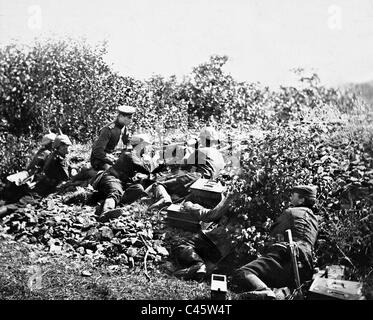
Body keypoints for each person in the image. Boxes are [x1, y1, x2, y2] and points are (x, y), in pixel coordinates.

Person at [231, 185, 319, 300]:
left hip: (287, 255)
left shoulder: (291, 212)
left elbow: (274, 236)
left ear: (302, 199)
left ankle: (264, 291)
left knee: (243, 272)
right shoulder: (315, 220)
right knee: (283, 287)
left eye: (294, 194)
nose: (291, 196)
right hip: (306, 264)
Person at [149, 126, 225, 209]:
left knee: (159, 184)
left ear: (203, 139)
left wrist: (187, 154)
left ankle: (164, 200)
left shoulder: (200, 151)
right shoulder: (219, 155)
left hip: (197, 178)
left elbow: (184, 165)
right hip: (211, 183)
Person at [170, 192, 236, 281]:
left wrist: (189, 205)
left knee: (179, 244)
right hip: (223, 253)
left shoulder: (237, 192)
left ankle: (198, 265)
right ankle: (202, 268)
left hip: (212, 240)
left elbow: (209, 215)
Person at [92, 133, 153, 222]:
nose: (146, 149)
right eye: (144, 146)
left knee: (138, 188)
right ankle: (106, 211)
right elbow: (145, 170)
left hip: (122, 183)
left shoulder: (136, 156)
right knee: (116, 191)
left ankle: (107, 201)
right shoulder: (129, 155)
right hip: (112, 178)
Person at [90, 105, 135, 171]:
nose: (131, 120)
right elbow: (97, 151)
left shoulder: (124, 129)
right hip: (100, 161)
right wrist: (113, 160)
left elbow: (127, 145)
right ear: (121, 116)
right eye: (129, 118)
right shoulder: (108, 130)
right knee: (115, 175)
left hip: (113, 158)